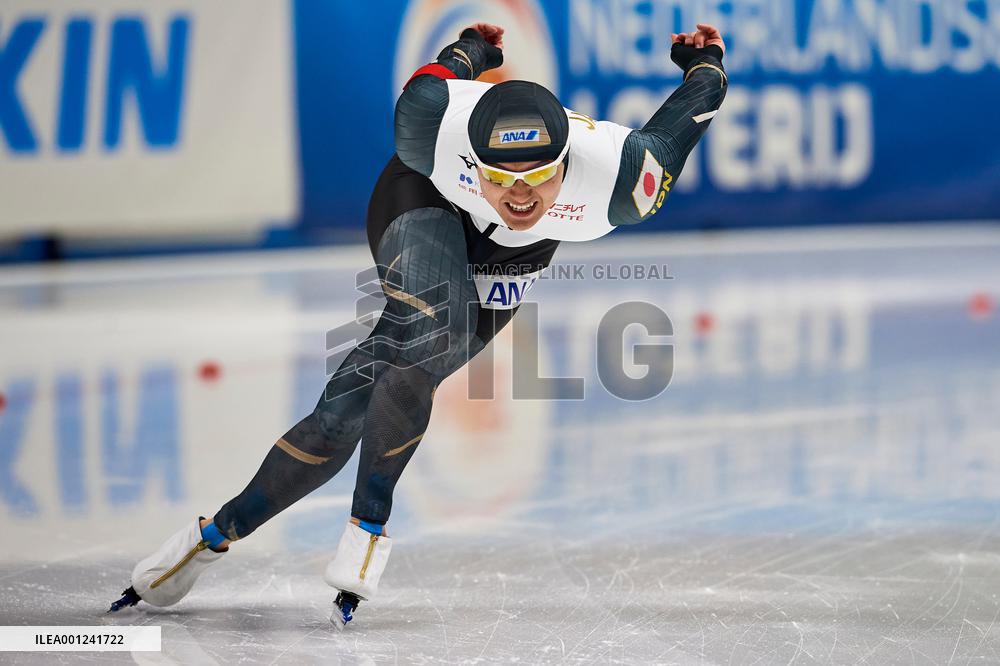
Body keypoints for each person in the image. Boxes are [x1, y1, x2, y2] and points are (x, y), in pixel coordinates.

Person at [110, 22, 728, 627]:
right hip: (424, 198)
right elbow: (435, 77)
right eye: (500, 177)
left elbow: (692, 109)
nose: (519, 196)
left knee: (346, 413)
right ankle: (367, 530)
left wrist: (704, 63)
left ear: (567, 162)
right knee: (442, 330)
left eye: (539, 176)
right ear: (474, 159)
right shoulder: (428, 126)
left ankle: (210, 536)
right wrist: (472, 50)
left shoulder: (626, 177)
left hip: (511, 256)